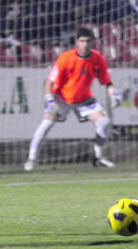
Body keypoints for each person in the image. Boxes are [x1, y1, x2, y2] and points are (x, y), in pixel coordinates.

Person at [23, 27, 121, 172]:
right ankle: (31, 158)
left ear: (92, 42)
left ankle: (98, 157)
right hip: (61, 98)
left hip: (84, 99)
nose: (85, 44)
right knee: (46, 124)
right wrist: (49, 101)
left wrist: (113, 92)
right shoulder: (65, 58)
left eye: (88, 41)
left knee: (104, 121)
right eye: (82, 41)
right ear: (76, 42)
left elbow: (106, 81)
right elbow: (49, 82)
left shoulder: (98, 59)